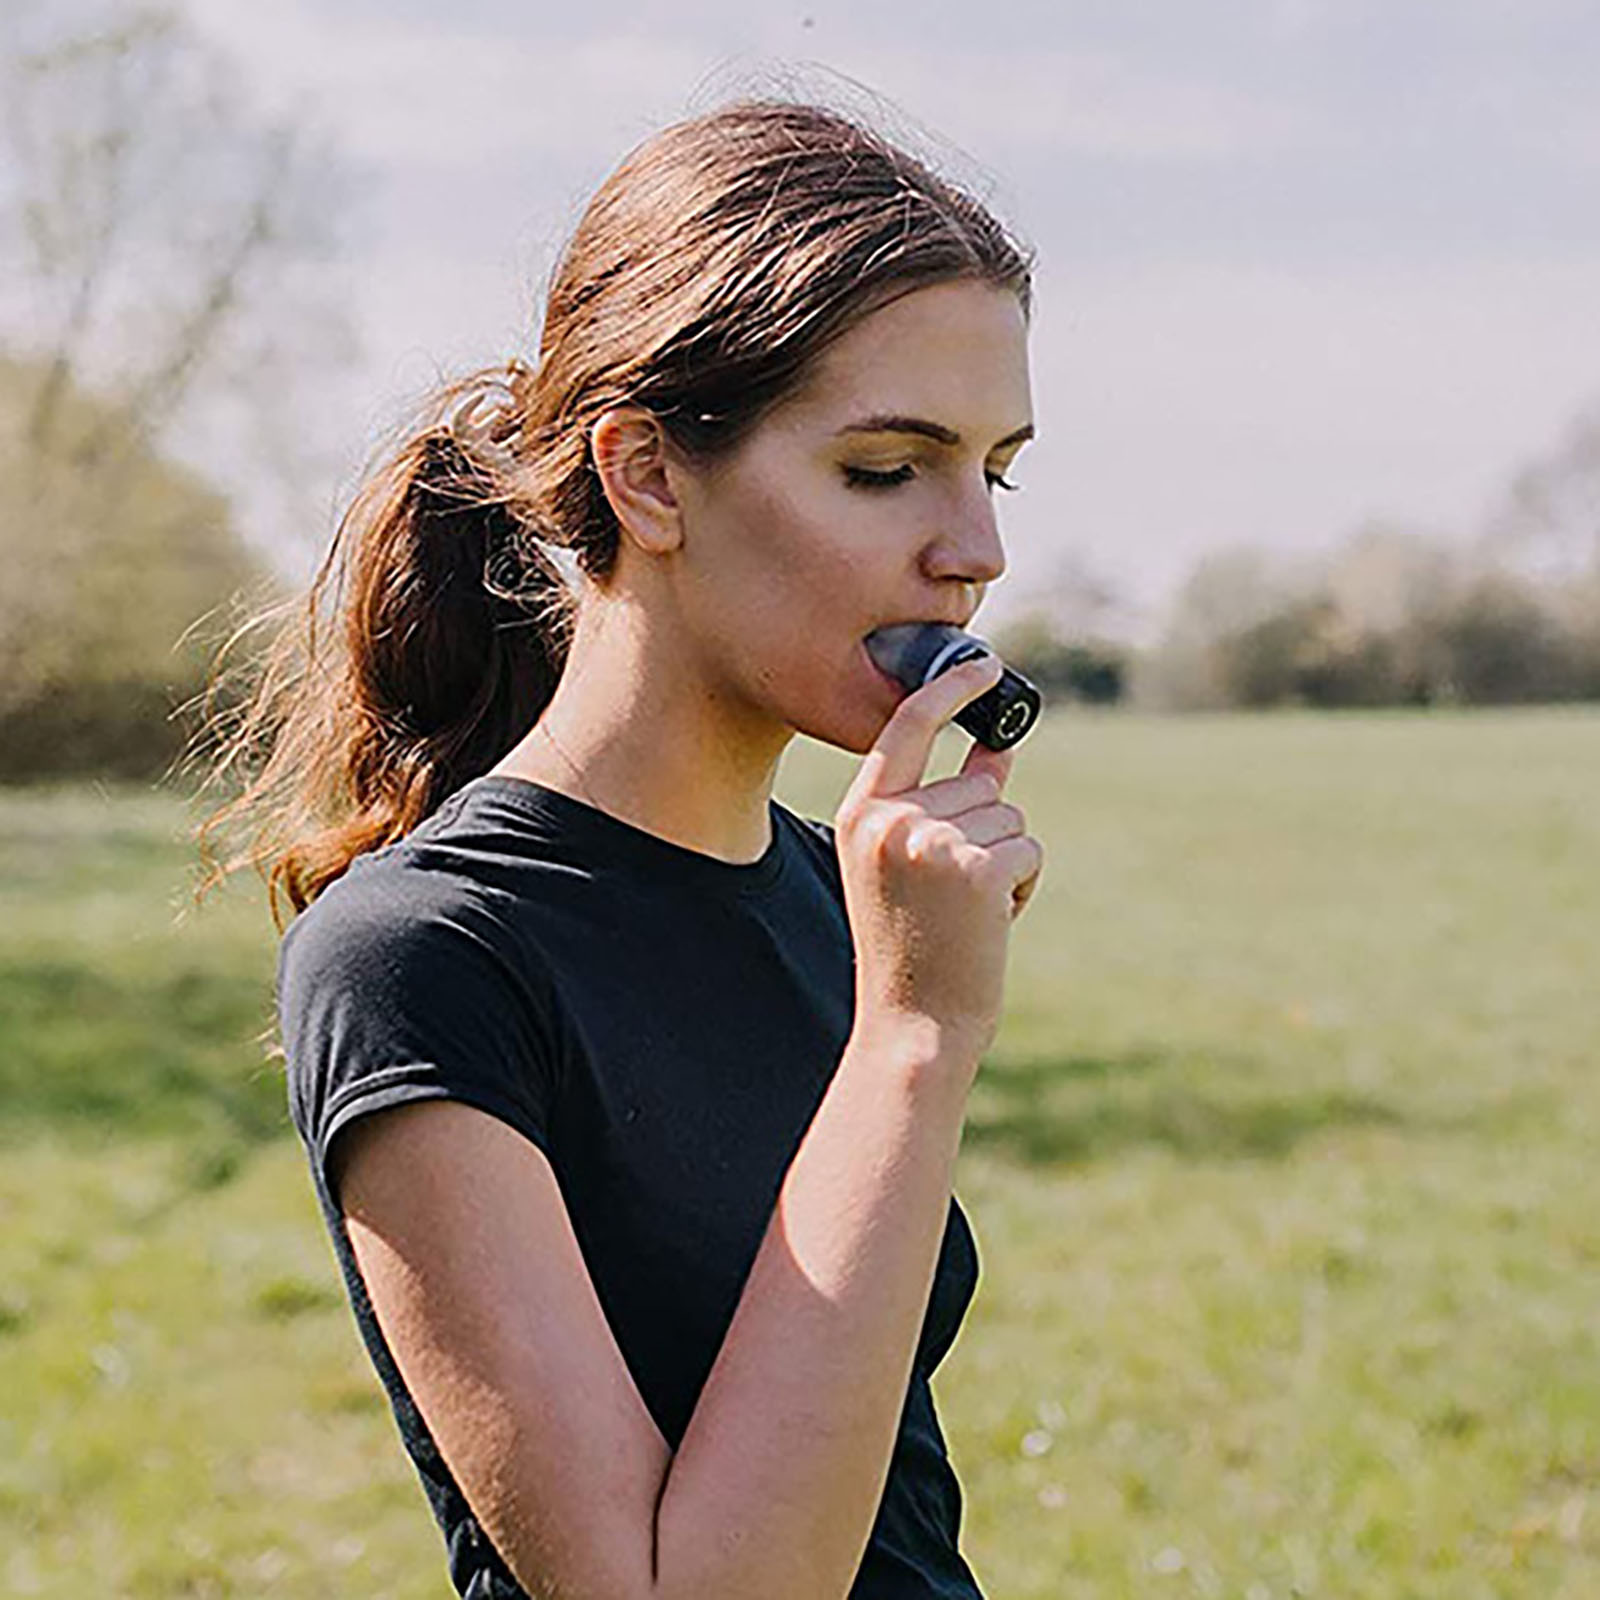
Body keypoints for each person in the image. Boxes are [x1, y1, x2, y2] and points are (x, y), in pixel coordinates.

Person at [197, 95, 1045, 1600]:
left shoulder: (837, 896)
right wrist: (915, 1042)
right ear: (648, 475)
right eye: (886, 467)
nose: (974, 549)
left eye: (998, 468)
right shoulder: (423, 960)